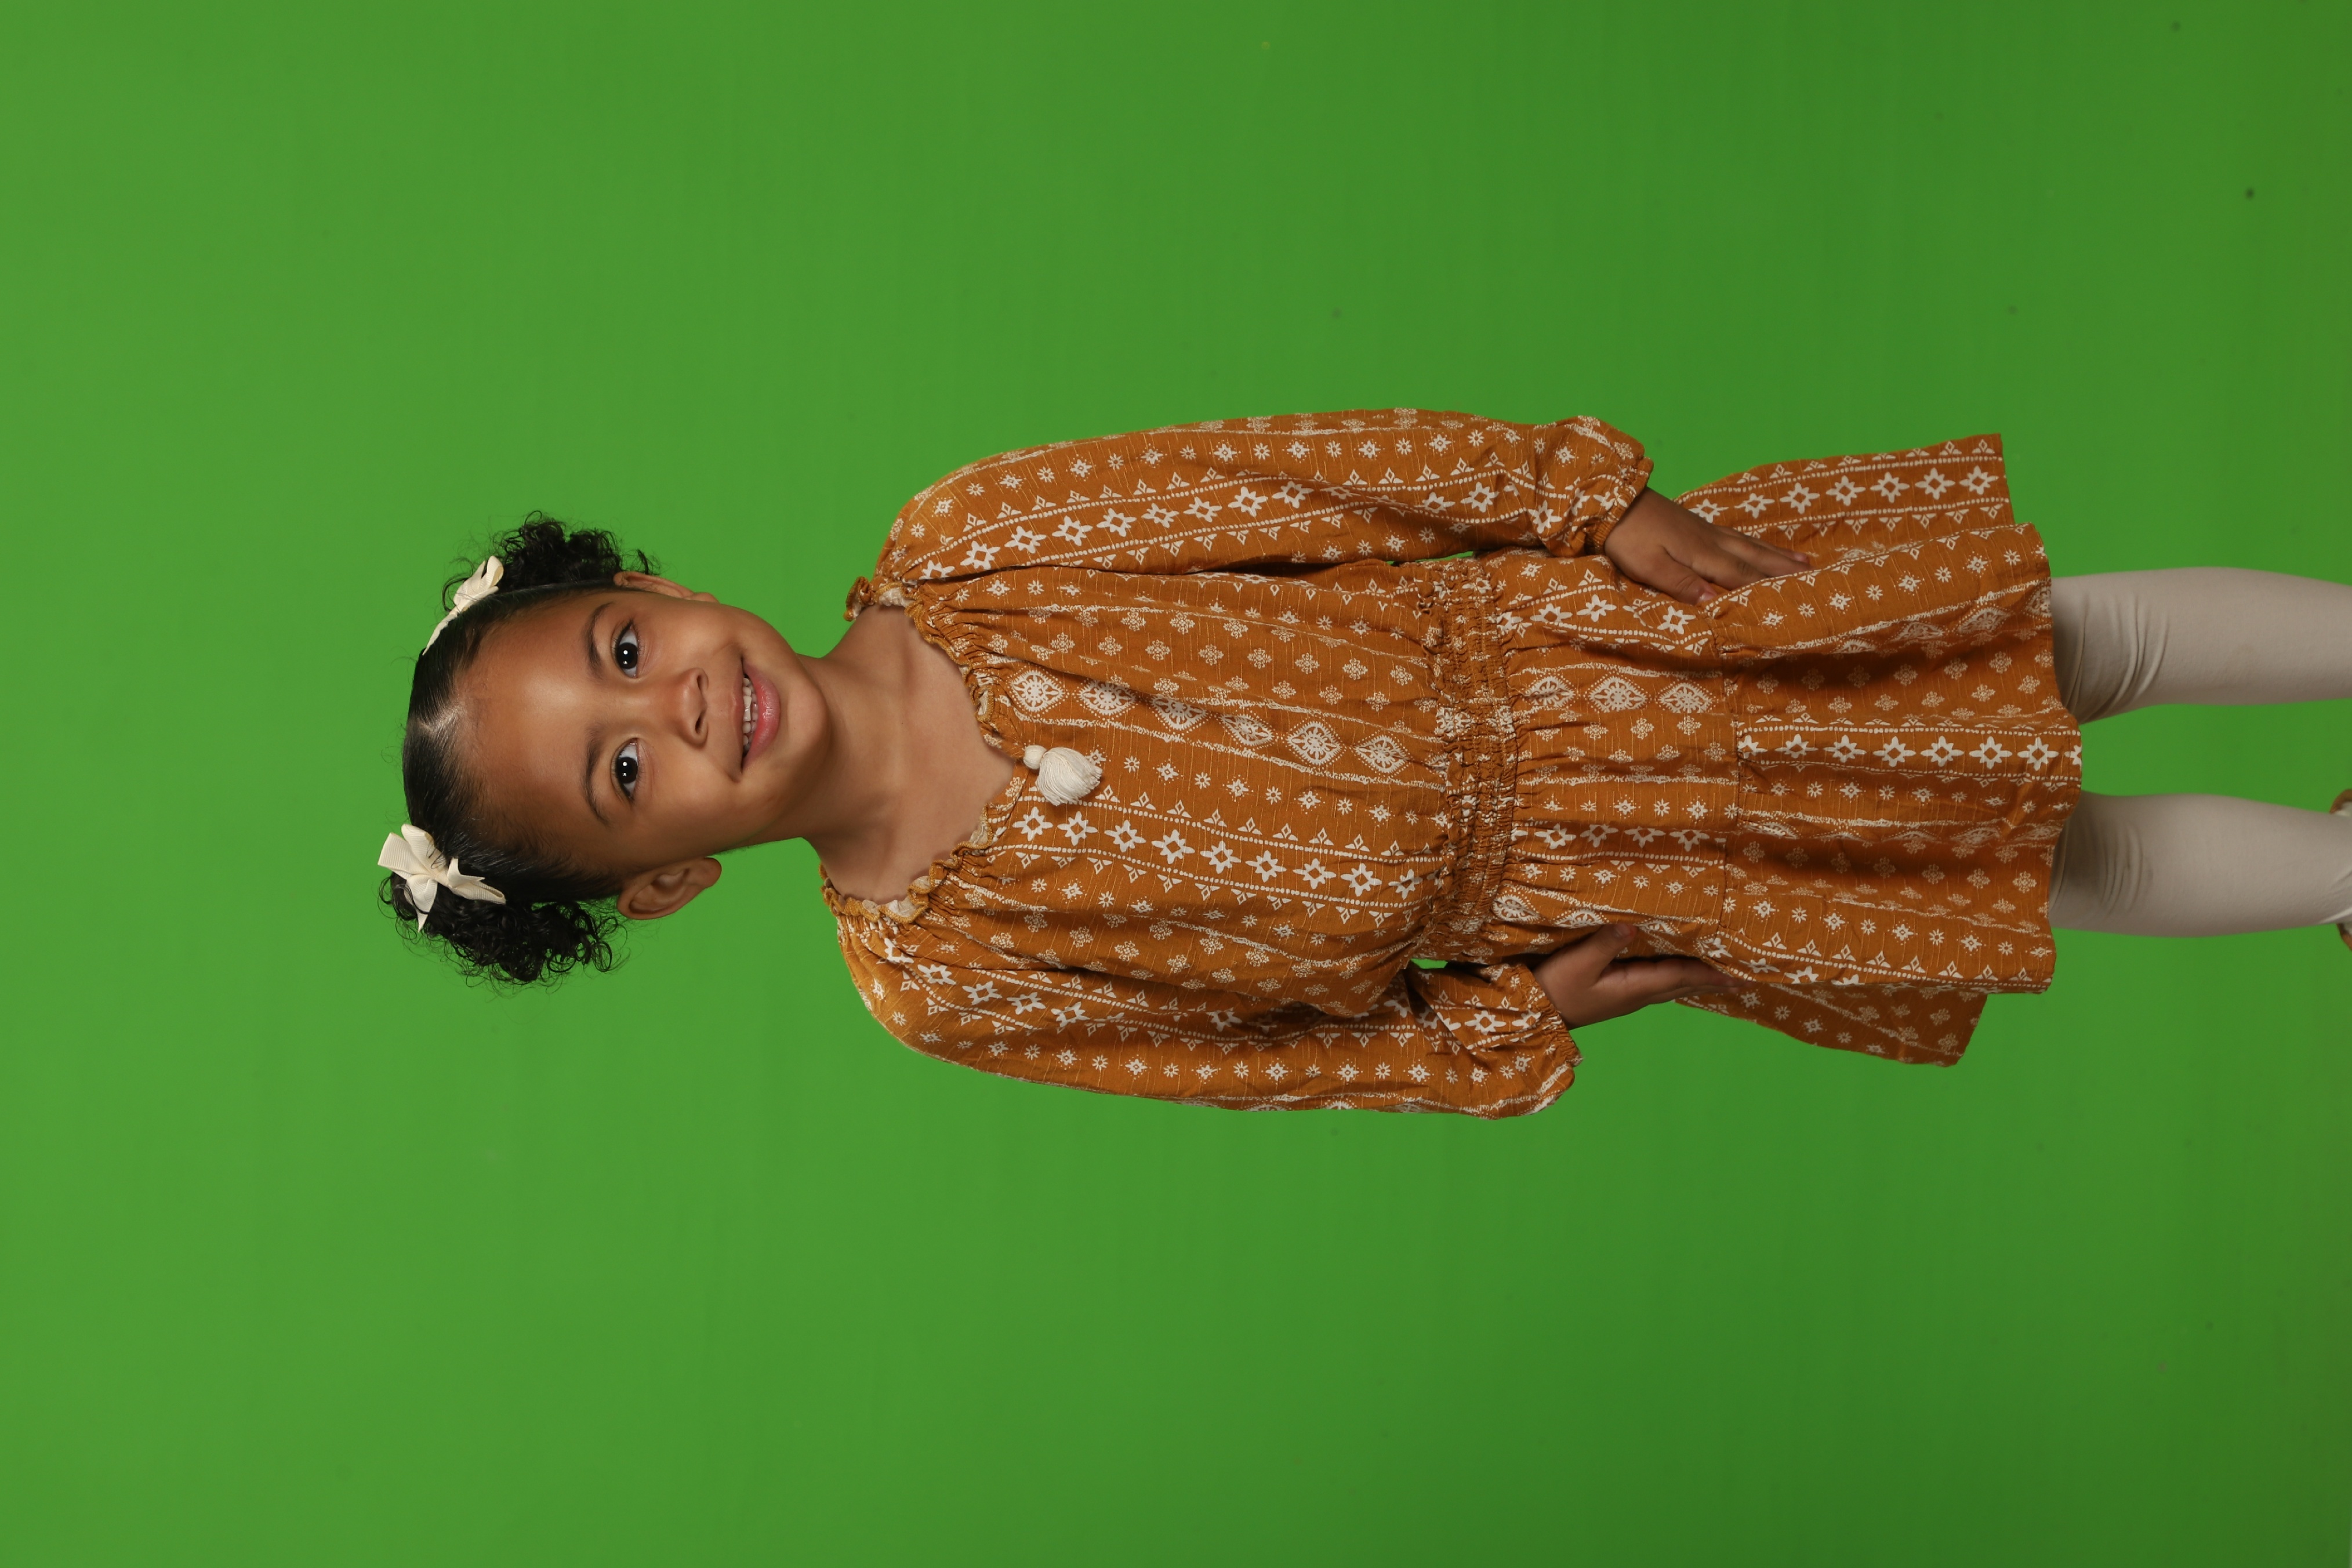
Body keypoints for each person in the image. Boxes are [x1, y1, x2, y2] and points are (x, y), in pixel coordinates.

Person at [375, 408, 2352, 1117]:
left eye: (622, 653)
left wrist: (1579, 498)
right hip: (1565, 880)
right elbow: (1253, 1060)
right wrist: (1493, 1033)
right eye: (622, 778)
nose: (673, 709)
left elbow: (1296, 476)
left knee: (2045, 643)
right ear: (665, 878)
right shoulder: (936, 977)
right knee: (2032, 862)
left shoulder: (969, 541)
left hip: (1574, 643)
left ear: (655, 590)